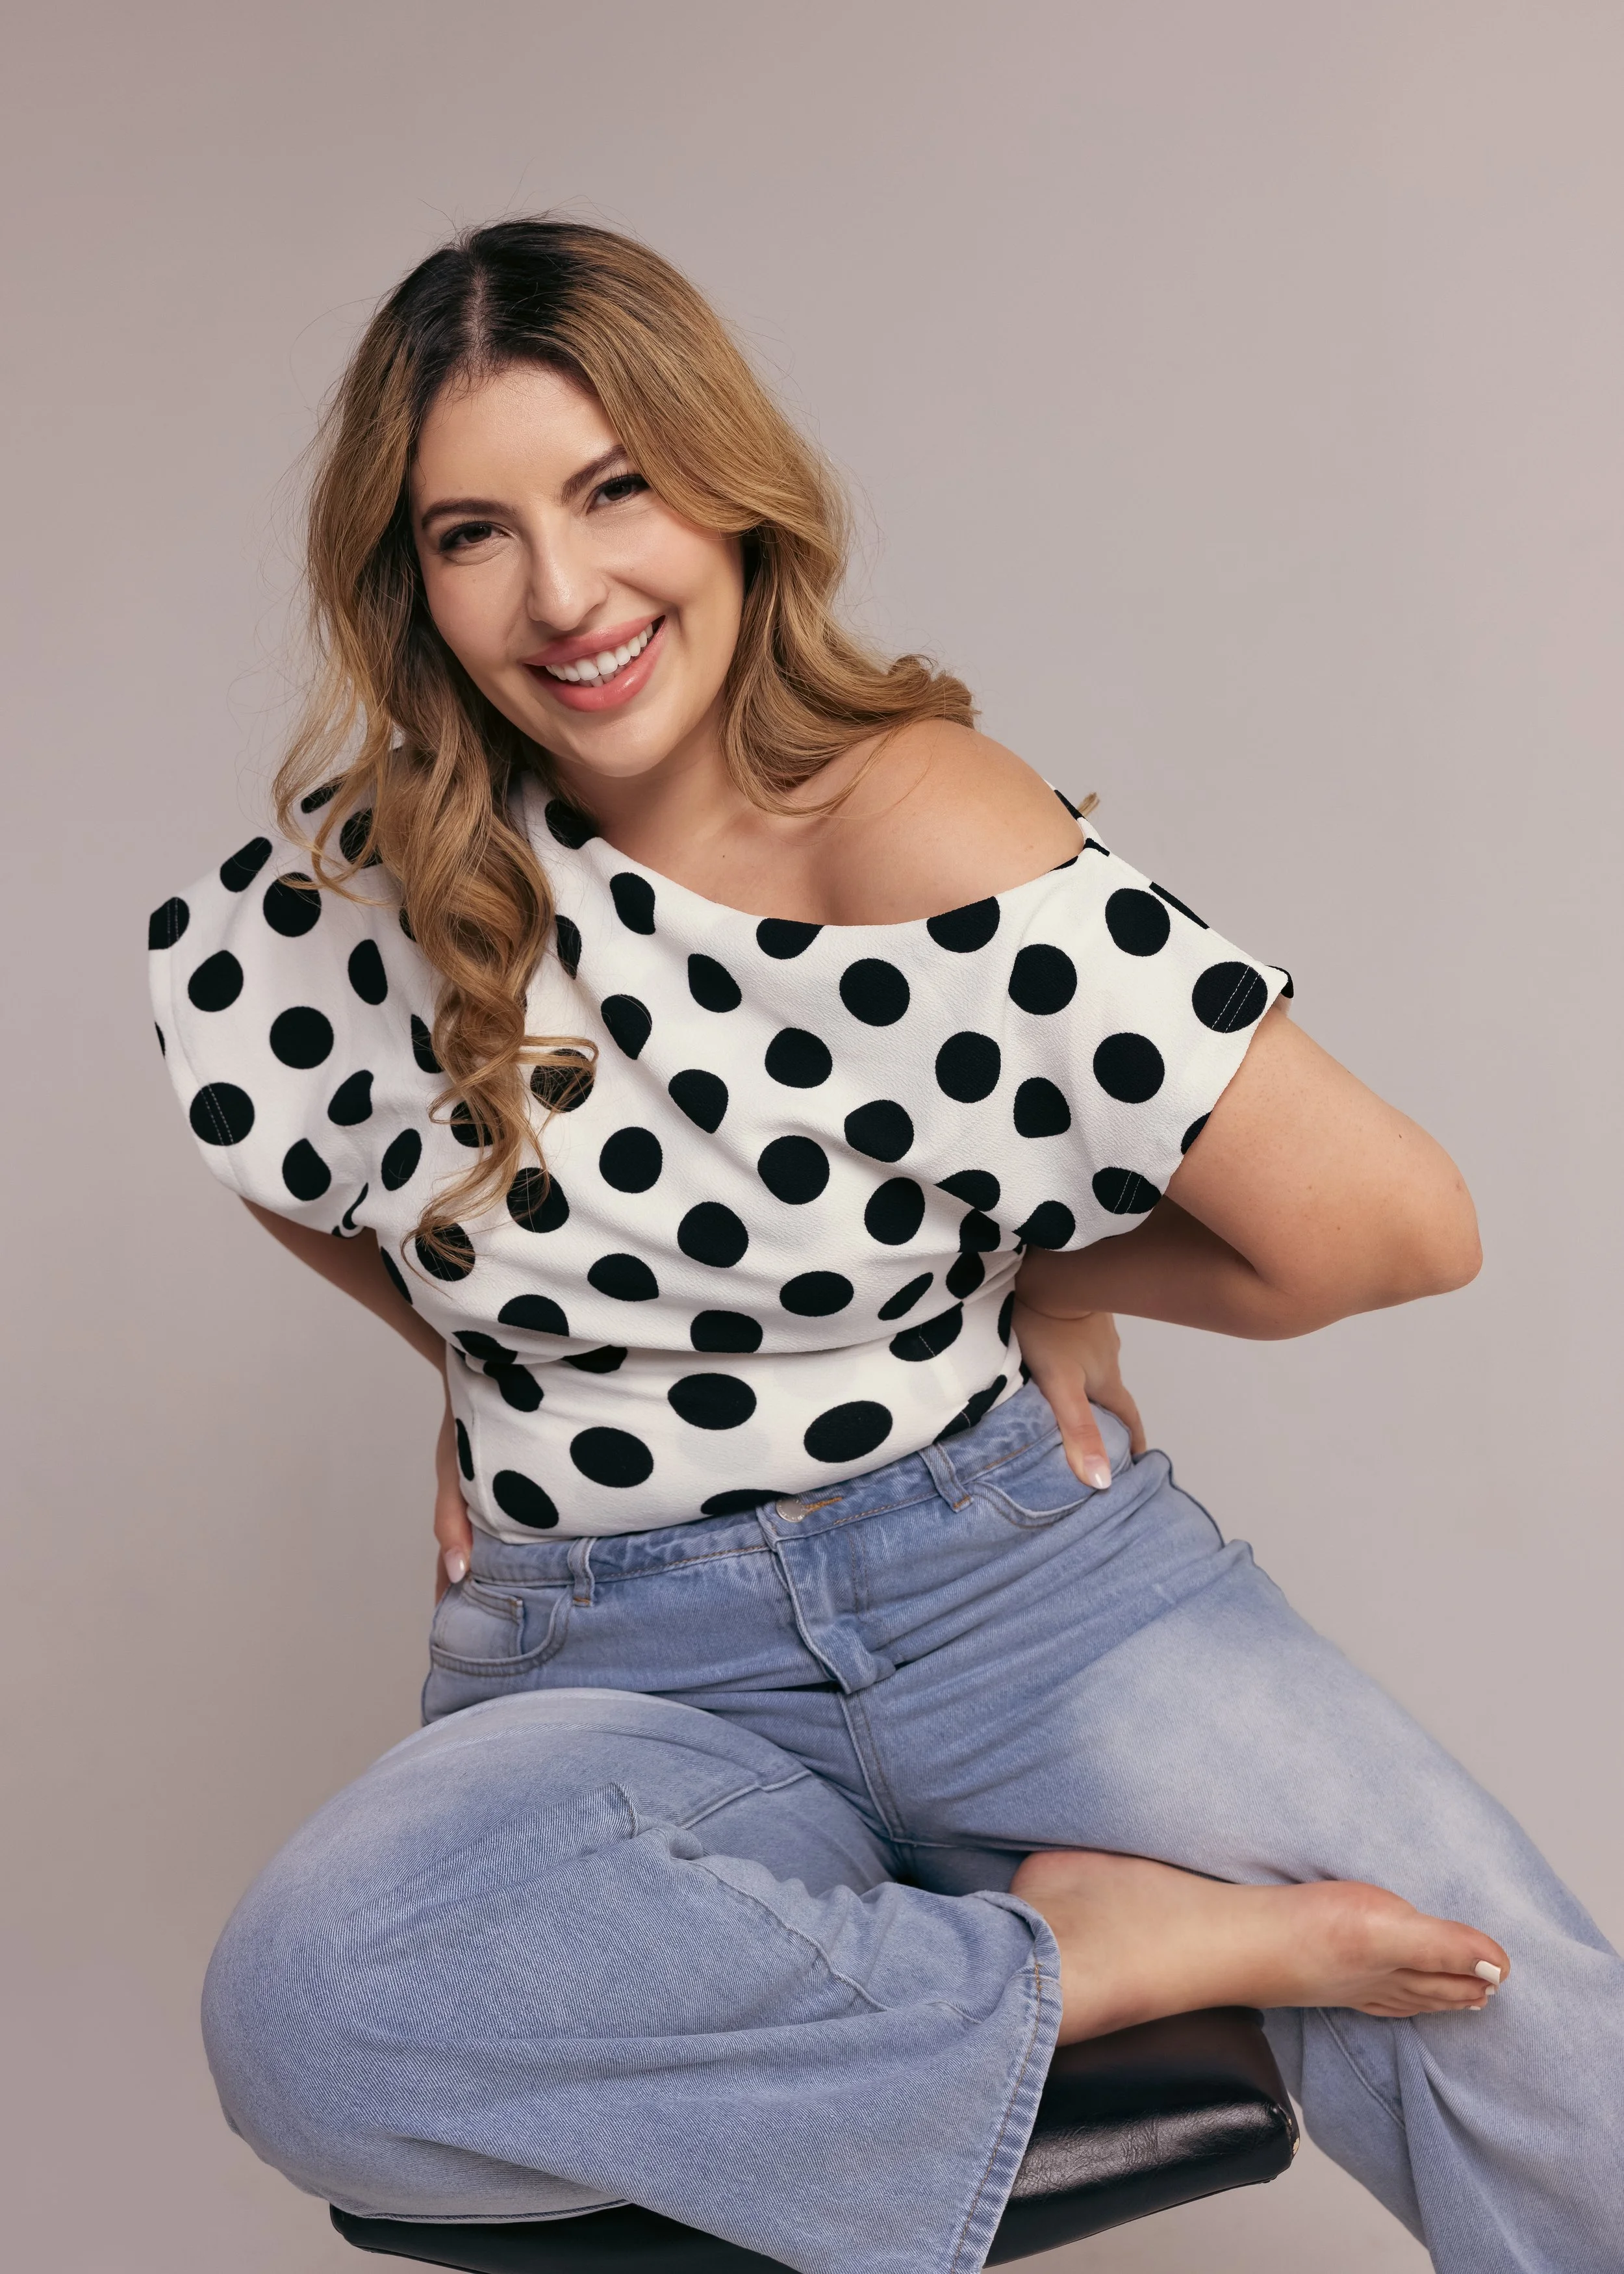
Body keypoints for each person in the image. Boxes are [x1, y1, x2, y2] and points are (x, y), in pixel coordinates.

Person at [147, 219, 1621, 2274]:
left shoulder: (914, 818)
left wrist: (1060, 1277)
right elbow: (293, 1156)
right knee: (311, 2016)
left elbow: (1390, 1227)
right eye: (473, 531)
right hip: (603, 1658)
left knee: (1538, 2044)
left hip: (1016, 1592)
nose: (563, 595)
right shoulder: (354, 891)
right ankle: (1067, 1955)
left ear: (727, 490)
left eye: (611, 490)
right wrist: (496, 1370)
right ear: (409, 581)